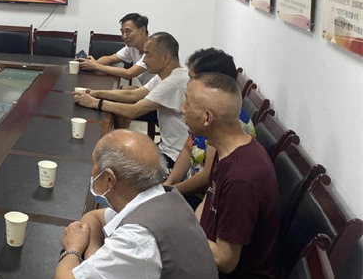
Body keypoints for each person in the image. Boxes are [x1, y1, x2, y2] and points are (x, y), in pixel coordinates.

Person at [54, 130, 228, 279]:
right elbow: (94, 218)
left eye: (93, 169)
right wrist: (94, 254)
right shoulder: (167, 198)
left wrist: (73, 249)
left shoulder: (139, 239)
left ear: (109, 179)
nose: (91, 176)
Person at [182, 73, 279, 279]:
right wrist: (185, 227)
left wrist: (181, 232)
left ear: (207, 118)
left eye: (187, 102)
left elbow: (225, 260)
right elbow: (205, 204)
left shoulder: (242, 177)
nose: (182, 109)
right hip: (219, 276)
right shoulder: (226, 148)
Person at [75, 32, 189, 168]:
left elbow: (133, 111)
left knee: (114, 164)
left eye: (148, 54)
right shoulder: (166, 75)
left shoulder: (173, 82)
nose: (144, 60)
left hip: (175, 156)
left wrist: (95, 103)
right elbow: (133, 95)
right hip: (167, 148)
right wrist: (96, 93)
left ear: (165, 58)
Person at [163, 48, 255, 205]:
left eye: (192, 78)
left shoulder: (223, 121)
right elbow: (187, 149)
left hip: (202, 198)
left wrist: (170, 191)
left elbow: (207, 178)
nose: (188, 83)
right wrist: (169, 183)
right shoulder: (203, 112)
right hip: (186, 186)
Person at [77, 13, 153, 86]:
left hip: (157, 92)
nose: (124, 36)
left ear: (142, 30)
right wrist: (91, 64)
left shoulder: (153, 49)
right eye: (122, 32)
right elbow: (110, 59)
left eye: (128, 31)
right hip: (148, 89)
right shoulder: (132, 47)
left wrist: (96, 66)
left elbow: (129, 74)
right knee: (120, 89)